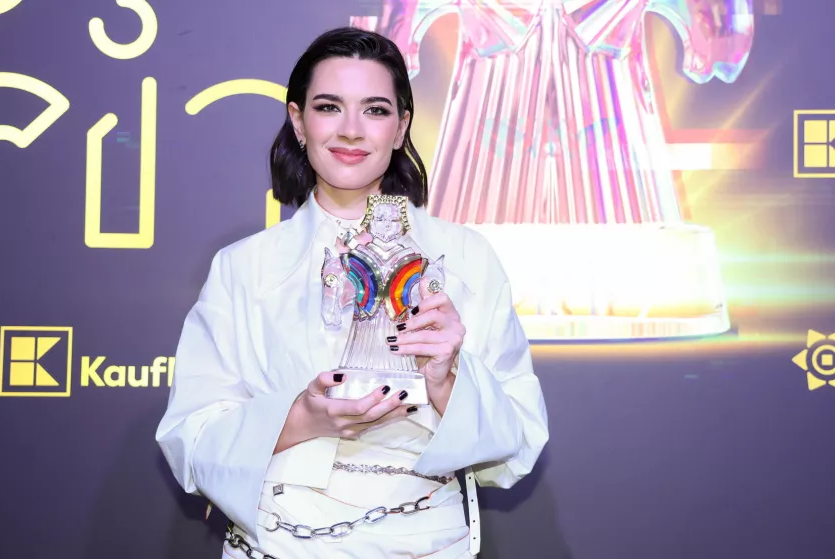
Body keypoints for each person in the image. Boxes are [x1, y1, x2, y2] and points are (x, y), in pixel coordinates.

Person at [155, 26, 549, 559]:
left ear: (401, 126)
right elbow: (191, 439)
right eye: (328, 107)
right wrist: (301, 417)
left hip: (428, 542)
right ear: (299, 121)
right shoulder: (243, 267)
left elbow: (520, 443)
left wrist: (446, 380)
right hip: (278, 543)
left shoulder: (466, 257)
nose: (351, 130)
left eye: (375, 110)